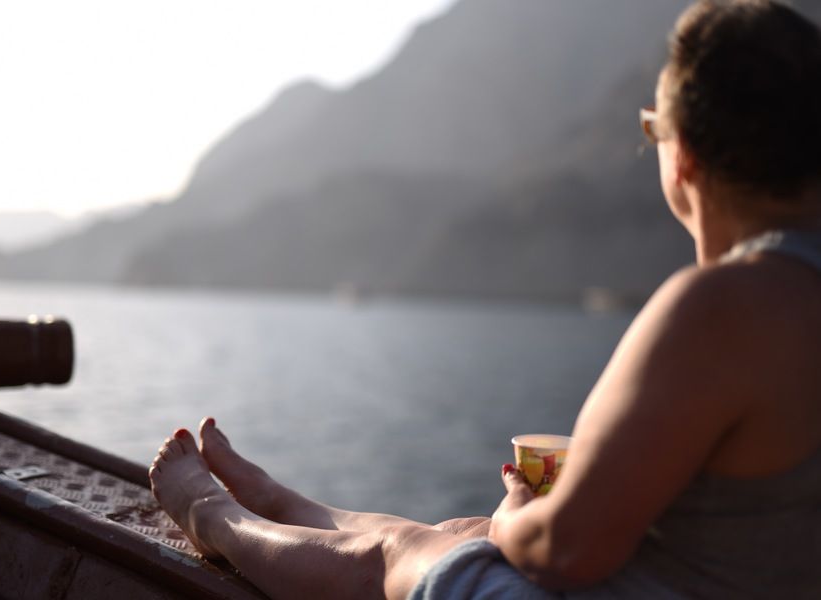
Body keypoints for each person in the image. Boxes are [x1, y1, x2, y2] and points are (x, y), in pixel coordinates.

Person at [149, 1, 821, 598]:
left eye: (654, 133)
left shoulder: (719, 306)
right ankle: (276, 500)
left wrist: (516, 520)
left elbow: (567, 550)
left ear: (687, 159)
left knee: (406, 552)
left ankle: (216, 517)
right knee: (454, 531)